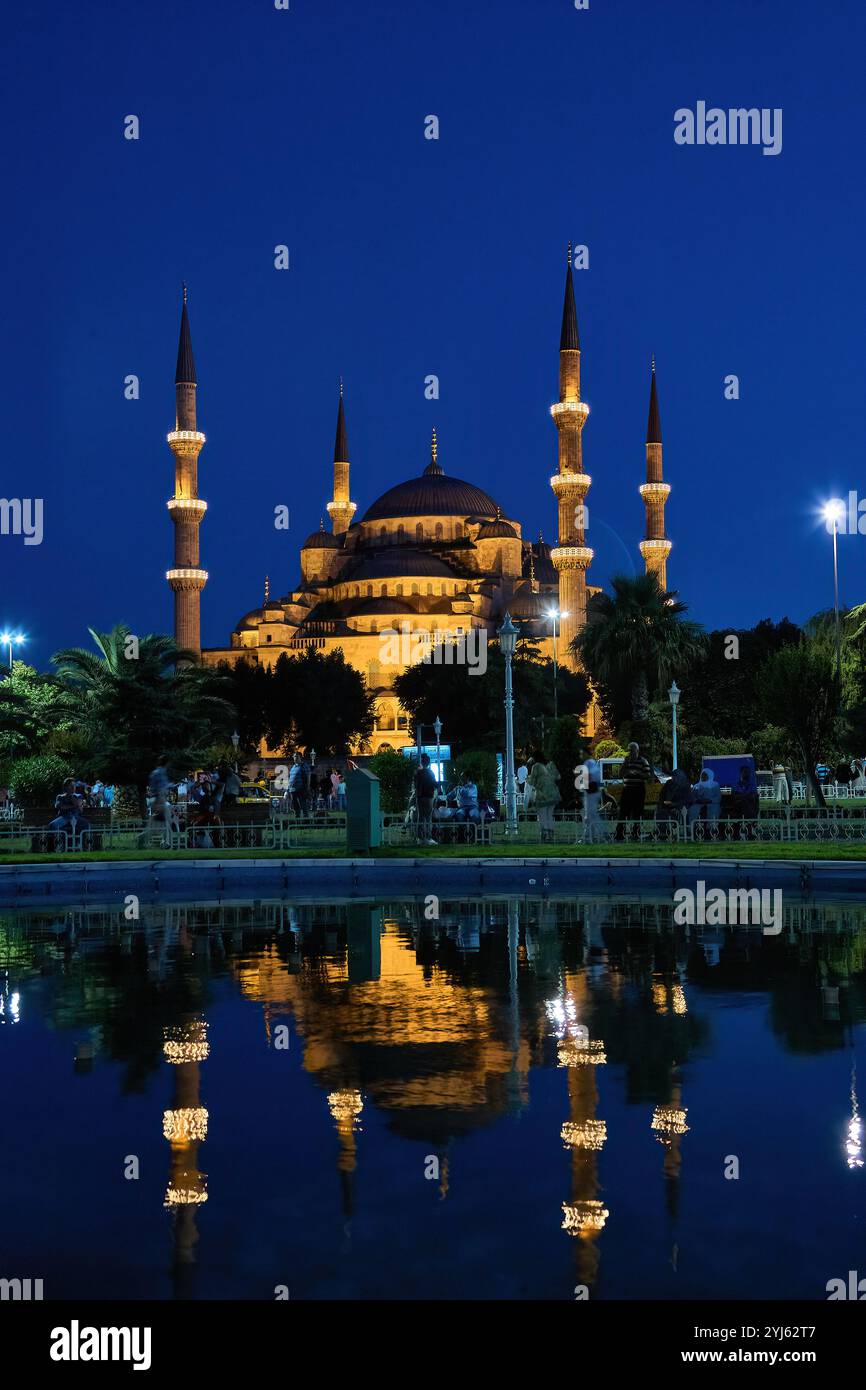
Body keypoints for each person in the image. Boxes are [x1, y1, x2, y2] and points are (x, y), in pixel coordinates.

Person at [616, 742, 651, 841]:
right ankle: (620, 833)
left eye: (632, 750)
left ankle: (636, 833)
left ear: (637, 750)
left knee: (638, 812)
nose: (630, 752)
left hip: (638, 789)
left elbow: (647, 775)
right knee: (623, 812)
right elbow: (620, 774)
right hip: (627, 790)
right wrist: (625, 765)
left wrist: (637, 774)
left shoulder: (643, 761)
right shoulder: (626, 761)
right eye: (629, 750)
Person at [528, 753, 560, 843]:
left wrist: (529, 779)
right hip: (553, 793)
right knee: (549, 815)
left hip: (542, 794)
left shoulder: (536, 766)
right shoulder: (551, 764)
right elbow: (558, 776)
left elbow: (532, 781)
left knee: (542, 815)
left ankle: (544, 834)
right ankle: (551, 834)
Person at [148, 756, 176, 842]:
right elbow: (160, 789)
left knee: (155, 825)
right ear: (167, 763)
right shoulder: (161, 772)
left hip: (156, 799)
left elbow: (157, 787)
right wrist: (159, 803)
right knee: (169, 821)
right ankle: (167, 842)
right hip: (159, 800)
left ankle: (142, 838)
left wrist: (171, 785)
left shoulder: (155, 772)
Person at [656, 767, 691, 833]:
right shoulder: (668, 784)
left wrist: (675, 804)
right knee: (661, 813)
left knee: (680, 812)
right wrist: (664, 803)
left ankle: (682, 832)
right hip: (666, 806)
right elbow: (662, 795)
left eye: (675, 776)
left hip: (680, 808)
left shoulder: (685, 786)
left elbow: (687, 799)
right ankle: (662, 832)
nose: (673, 778)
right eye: (672, 776)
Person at [414, 753, 439, 845]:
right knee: (428, 818)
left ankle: (420, 838)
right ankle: (428, 837)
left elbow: (415, 785)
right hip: (428, 797)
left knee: (420, 817)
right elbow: (434, 783)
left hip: (420, 797)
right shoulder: (430, 772)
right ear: (428, 762)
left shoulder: (417, 772)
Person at [688, 769, 721, 833]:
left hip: (712, 803)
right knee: (693, 809)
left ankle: (712, 830)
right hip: (699, 803)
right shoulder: (696, 786)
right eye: (702, 775)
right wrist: (698, 800)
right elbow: (692, 796)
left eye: (705, 775)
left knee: (714, 809)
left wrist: (710, 800)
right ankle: (692, 829)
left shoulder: (715, 785)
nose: (703, 777)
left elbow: (718, 797)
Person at [581, 757, 603, 842]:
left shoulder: (588, 763)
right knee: (590, 815)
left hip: (591, 792)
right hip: (593, 791)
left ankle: (599, 834)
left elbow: (588, 777)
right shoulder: (594, 766)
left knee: (591, 815)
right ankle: (589, 835)